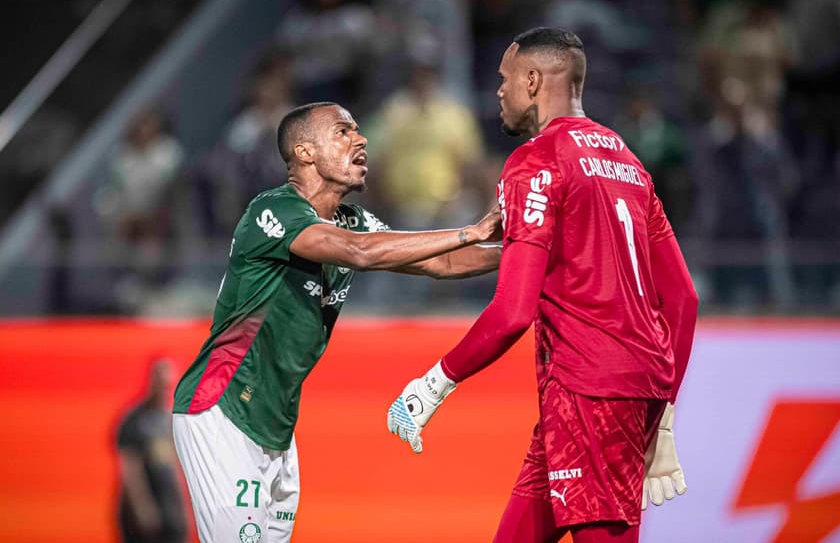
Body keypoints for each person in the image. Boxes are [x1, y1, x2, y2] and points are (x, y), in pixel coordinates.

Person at [387, 27, 699, 542]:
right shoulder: (627, 161)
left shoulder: (537, 161)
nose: (499, 92)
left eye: (505, 79)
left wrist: (433, 385)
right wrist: (661, 413)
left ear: (532, 80)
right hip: (606, 393)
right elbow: (683, 300)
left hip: (590, 393)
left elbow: (513, 311)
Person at [172, 101, 501, 543]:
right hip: (221, 410)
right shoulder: (273, 211)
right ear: (305, 152)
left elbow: (442, 261)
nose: (360, 139)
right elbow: (358, 252)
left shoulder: (352, 219)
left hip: (276, 426)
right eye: (343, 131)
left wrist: (529, 253)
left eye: (358, 131)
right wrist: (471, 229)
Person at [117, 358, 187, 543]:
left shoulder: (172, 421)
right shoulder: (135, 419)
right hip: (145, 513)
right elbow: (130, 468)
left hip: (170, 510)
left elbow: (177, 468)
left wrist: (185, 508)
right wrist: (142, 507)